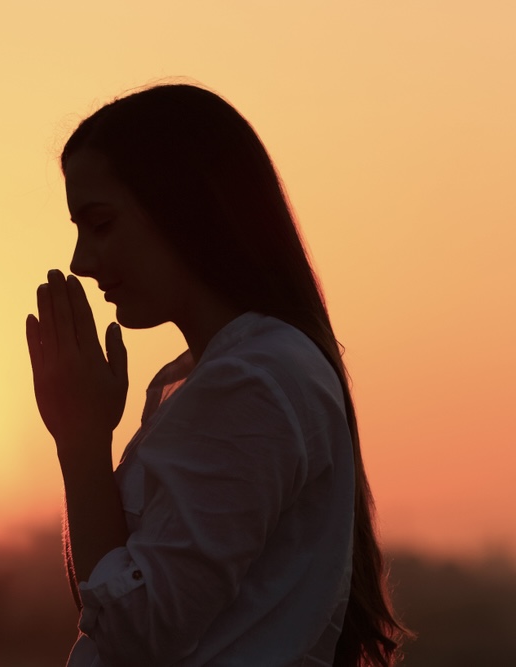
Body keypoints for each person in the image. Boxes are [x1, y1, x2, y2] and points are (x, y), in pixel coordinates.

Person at [25, 84, 407, 666]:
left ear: (182, 209)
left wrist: (81, 444)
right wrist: (81, 438)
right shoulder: (230, 374)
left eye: (100, 224)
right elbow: (108, 600)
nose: (81, 260)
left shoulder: (253, 380)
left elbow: (135, 634)